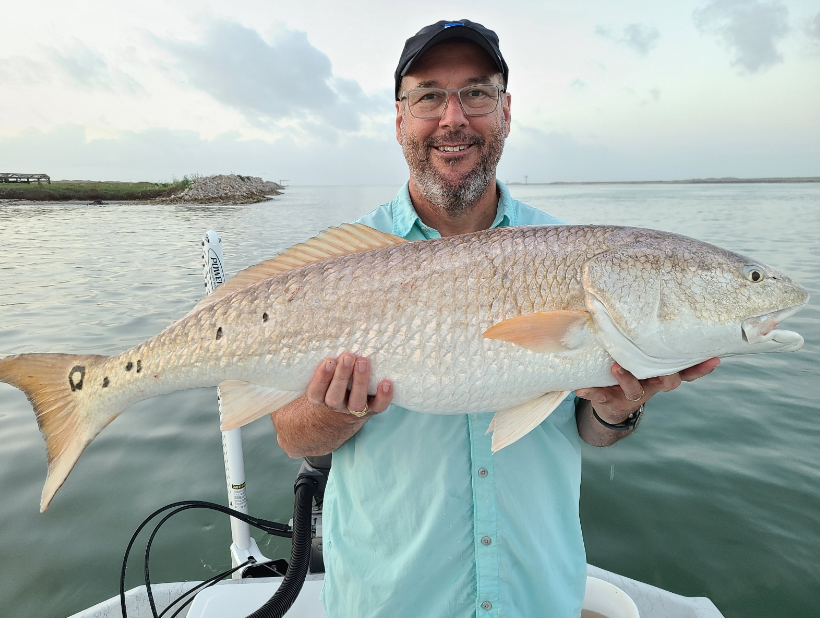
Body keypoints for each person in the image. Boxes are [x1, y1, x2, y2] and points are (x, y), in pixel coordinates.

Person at [271, 19, 720, 618]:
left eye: (476, 94)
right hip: (390, 601)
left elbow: (589, 427)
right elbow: (289, 435)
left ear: (505, 110)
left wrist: (619, 407)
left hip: (538, 598)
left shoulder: (570, 251)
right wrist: (330, 412)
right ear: (400, 118)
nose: (453, 118)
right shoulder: (346, 260)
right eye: (429, 95)